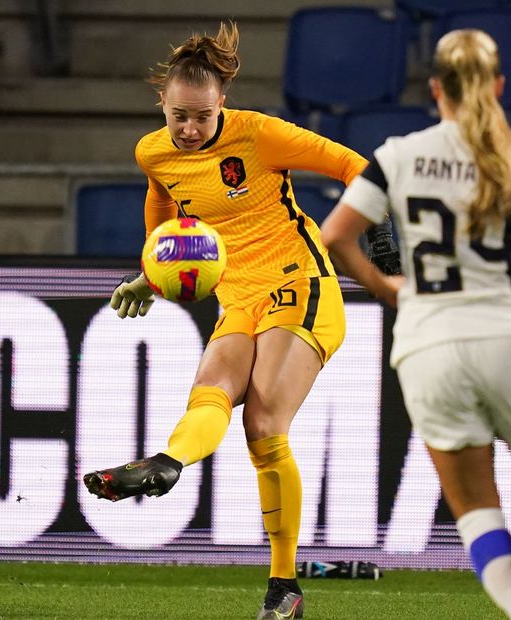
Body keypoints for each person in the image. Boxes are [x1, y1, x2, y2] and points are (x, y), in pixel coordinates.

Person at [81, 22, 393, 620]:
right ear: (162, 107)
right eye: (179, 117)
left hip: (300, 285)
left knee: (265, 421)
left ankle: (285, 586)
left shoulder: (260, 136)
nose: (190, 130)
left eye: (201, 116)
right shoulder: (153, 151)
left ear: (222, 102)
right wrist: (154, 269)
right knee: (213, 391)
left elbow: (357, 166)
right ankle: (168, 464)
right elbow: (162, 204)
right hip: (239, 298)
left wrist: (378, 229)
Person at [320, 29, 511, 619]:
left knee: (477, 511)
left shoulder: (397, 156)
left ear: (436, 88)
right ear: (499, 86)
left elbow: (336, 236)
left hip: (429, 339)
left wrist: (389, 287)